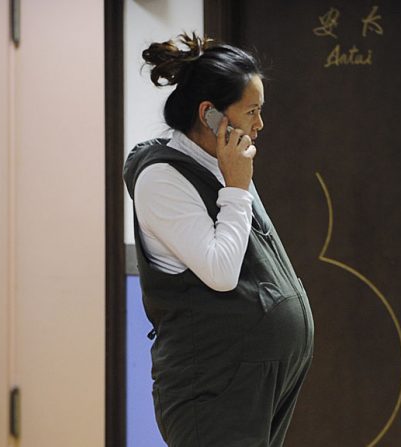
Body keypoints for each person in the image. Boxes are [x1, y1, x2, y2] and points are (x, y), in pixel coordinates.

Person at [123, 32, 314, 447]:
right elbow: (222, 272)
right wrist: (237, 187)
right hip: (211, 389)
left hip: (255, 381)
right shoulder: (161, 178)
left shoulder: (224, 164)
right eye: (252, 112)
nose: (260, 124)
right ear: (210, 114)